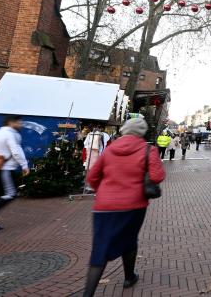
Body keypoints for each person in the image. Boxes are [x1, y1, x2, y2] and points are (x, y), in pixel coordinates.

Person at [82, 118, 165, 296]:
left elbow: (93, 176)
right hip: (133, 205)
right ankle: (129, 277)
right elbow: (157, 176)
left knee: (100, 246)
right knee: (130, 237)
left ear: (124, 131)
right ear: (142, 132)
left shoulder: (110, 149)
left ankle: (89, 292)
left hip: (103, 206)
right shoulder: (148, 150)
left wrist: (103, 192)